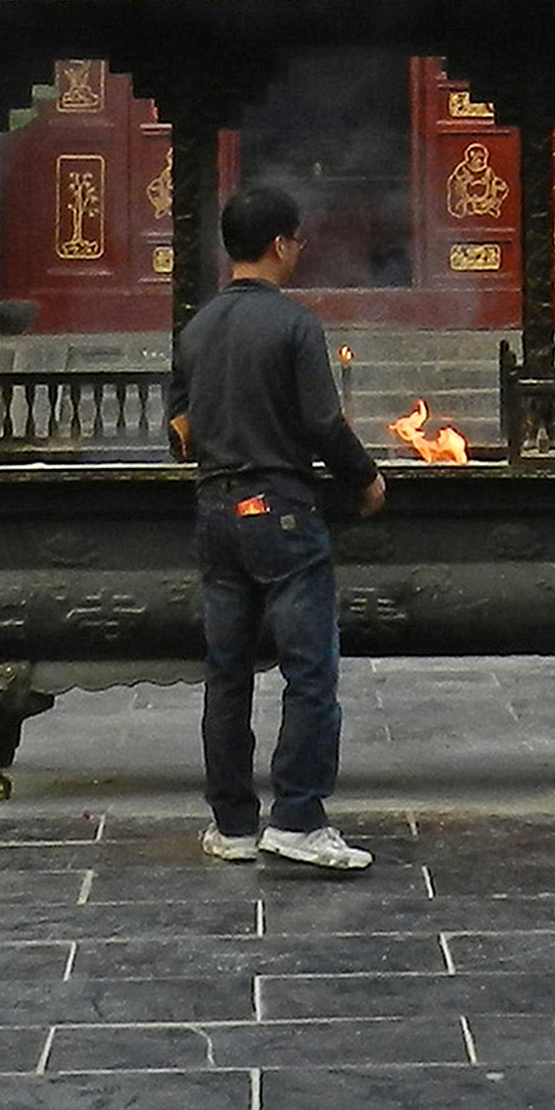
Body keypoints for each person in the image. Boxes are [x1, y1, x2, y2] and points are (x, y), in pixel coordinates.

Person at [169, 182, 385, 875]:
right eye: (296, 240)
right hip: (282, 512)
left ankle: (233, 823)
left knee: (226, 673)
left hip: (215, 511)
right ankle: (297, 815)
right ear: (279, 245)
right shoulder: (295, 326)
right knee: (309, 670)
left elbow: (180, 431)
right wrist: (366, 479)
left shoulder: (196, 329)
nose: (300, 251)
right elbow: (324, 423)